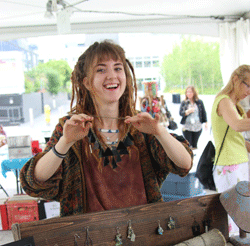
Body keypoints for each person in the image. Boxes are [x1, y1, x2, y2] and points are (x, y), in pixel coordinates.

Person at [20, 40, 192, 217]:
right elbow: (35, 182)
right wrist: (65, 142)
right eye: (101, 70)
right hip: (88, 238)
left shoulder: (141, 126)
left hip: (143, 233)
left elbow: (184, 164)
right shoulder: (71, 127)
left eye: (118, 68)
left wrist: (160, 132)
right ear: (86, 82)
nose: (112, 76)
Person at [211, 64, 250, 234]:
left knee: (242, 213)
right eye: (247, 85)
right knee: (234, 215)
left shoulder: (236, 106)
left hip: (239, 163)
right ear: (236, 79)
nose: (249, 91)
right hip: (229, 165)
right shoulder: (224, 101)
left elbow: (237, 140)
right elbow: (237, 125)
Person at [179, 86, 207, 150]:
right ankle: (189, 157)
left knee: (195, 144)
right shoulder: (184, 102)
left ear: (194, 93)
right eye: (187, 92)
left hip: (197, 126)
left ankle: (194, 155)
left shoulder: (199, 102)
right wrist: (187, 112)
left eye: (190, 92)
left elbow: (203, 112)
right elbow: (181, 113)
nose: (188, 93)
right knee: (188, 144)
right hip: (187, 126)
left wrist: (206, 122)